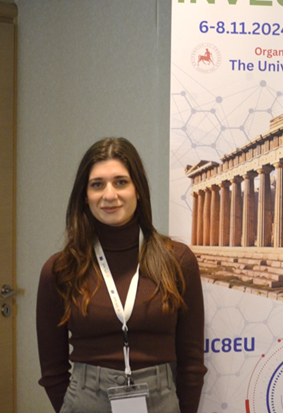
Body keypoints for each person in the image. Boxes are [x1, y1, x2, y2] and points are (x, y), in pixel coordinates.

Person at [36, 138, 207, 413]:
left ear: (138, 190)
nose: (109, 195)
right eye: (97, 184)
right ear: (84, 195)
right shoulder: (61, 269)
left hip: (161, 401)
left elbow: (192, 363)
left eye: (120, 182)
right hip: (86, 401)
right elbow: (52, 371)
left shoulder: (177, 261)